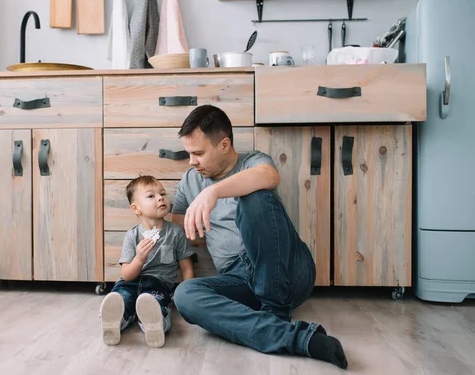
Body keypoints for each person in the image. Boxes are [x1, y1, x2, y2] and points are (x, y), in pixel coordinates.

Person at [171, 105, 348, 369]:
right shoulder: (190, 179)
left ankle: (275, 308)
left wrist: (214, 192)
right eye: (188, 154)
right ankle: (294, 337)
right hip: (238, 278)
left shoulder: (253, 161)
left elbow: (268, 176)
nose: (191, 161)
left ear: (224, 145)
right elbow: (180, 226)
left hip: (288, 271)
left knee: (255, 196)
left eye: (198, 153)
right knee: (185, 294)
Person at [99, 175, 195, 348]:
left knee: (154, 302)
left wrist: (190, 293)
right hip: (130, 283)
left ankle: (154, 325)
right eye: (151, 196)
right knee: (123, 298)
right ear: (136, 209)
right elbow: (127, 275)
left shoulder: (175, 233)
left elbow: (186, 267)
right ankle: (114, 322)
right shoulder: (132, 236)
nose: (160, 198)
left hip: (157, 285)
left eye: (162, 193)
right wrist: (139, 259)